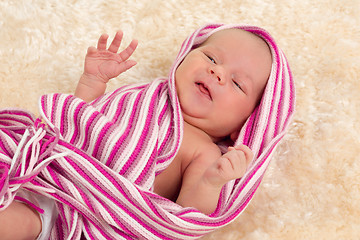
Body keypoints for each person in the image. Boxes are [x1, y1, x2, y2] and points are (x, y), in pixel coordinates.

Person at [0, 24, 288, 240]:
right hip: (41, 168)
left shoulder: (204, 151)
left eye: (238, 84)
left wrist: (213, 182)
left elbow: (186, 213)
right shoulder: (143, 95)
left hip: (77, 211)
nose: (218, 73)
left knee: (18, 222)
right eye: (211, 58)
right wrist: (93, 81)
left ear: (245, 126)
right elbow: (81, 123)